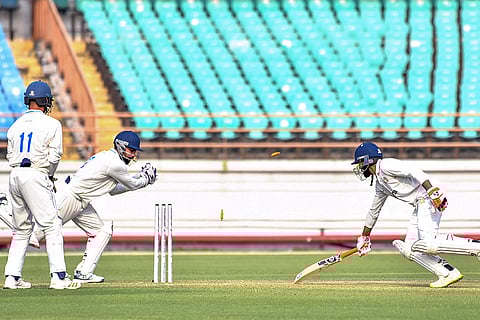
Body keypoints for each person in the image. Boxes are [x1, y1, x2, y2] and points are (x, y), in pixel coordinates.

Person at [30, 130, 157, 283]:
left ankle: (84, 272)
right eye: (131, 150)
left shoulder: (109, 158)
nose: (133, 154)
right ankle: (13, 273)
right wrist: (145, 179)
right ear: (121, 146)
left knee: (101, 232)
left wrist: (139, 177)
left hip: (80, 201)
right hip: (70, 197)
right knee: (34, 235)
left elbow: (114, 190)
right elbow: (131, 184)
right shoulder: (114, 163)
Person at [352, 142, 480, 288]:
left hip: (429, 195)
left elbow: (414, 170)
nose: (359, 167)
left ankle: (476, 248)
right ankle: (447, 273)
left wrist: (432, 192)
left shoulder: (386, 165)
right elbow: (374, 211)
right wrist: (365, 237)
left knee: (429, 242)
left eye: (360, 162)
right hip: (420, 203)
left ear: (368, 160)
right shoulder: (380, 184)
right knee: (411, 247)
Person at [3, 80, 80, 289]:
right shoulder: (52, 124)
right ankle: (58, 277)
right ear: (46, 101)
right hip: (36, 174)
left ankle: (12, 277)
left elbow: (10, 156)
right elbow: (55, 156)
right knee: (52, 224)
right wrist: (49, 176)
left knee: (21, 230)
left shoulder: (15, 125)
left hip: (15, 174)